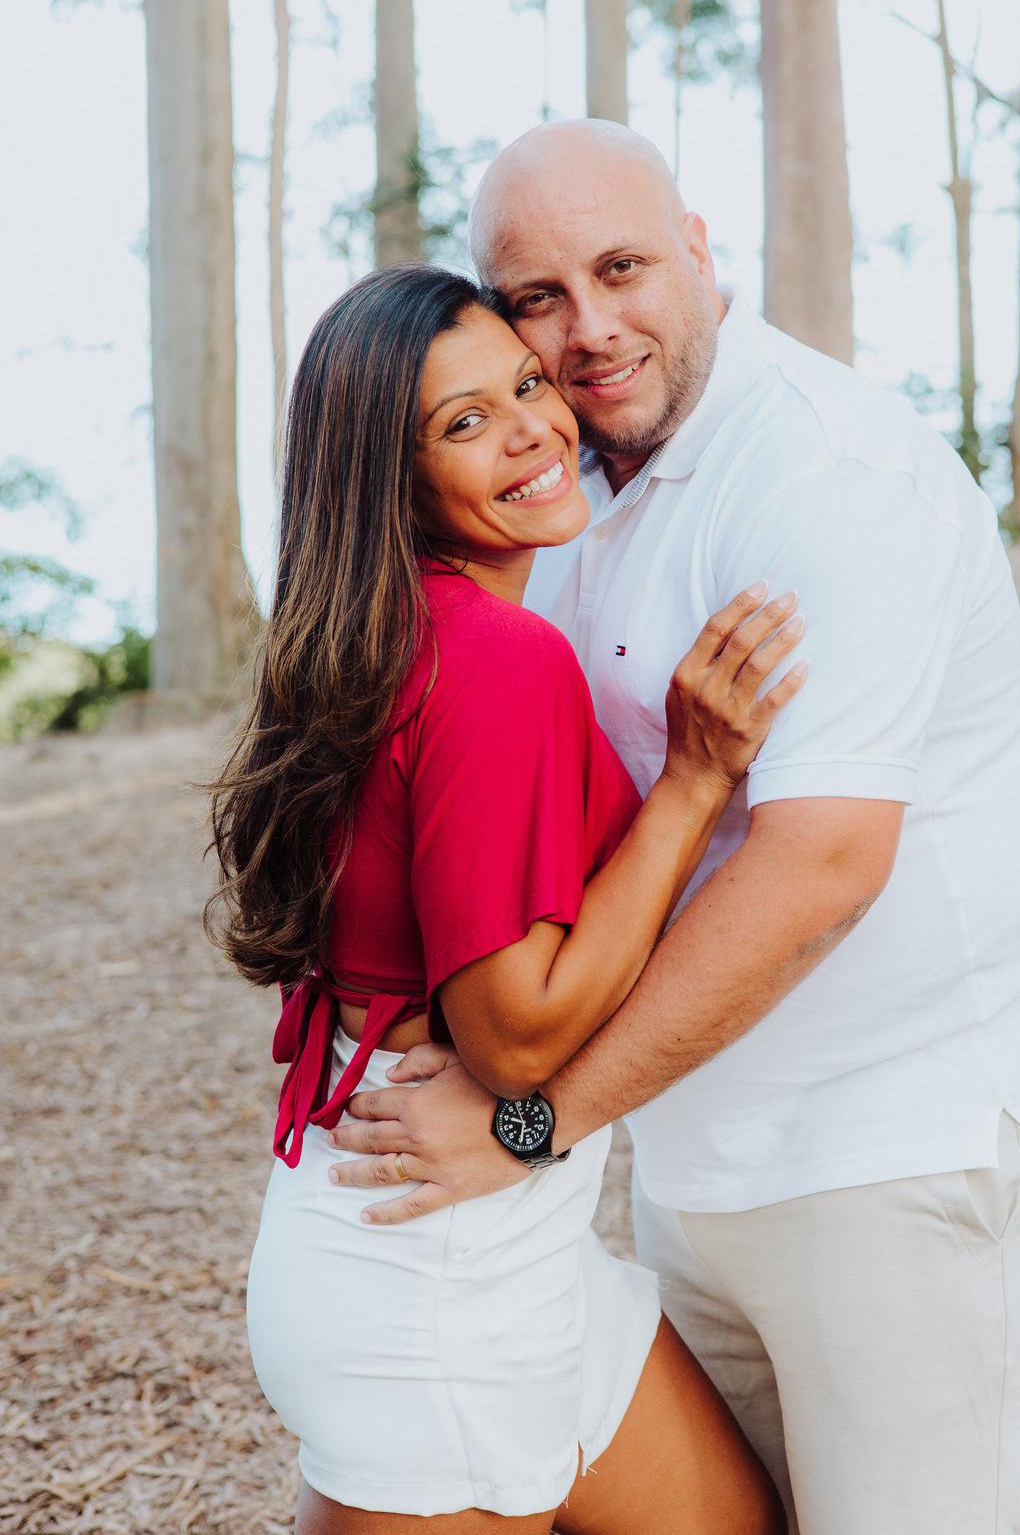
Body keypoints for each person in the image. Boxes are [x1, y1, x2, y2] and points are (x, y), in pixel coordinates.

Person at [327, 122, 1020, 1535]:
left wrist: (531, 1121)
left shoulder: (827, 476)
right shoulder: (567, 499)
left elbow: (821, 866)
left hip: (911, 1142)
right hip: (703, 1148)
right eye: (537, 298)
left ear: (701, 252)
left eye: (623, 267)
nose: (590, 329)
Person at [206, 264, 805, 1534]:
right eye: (463, 421)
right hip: (432, 1278)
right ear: (396, 476)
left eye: (527, 385)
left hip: (482, 1244)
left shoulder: (385, 640)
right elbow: (514, 1037)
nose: (535, 426)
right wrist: (696, 781)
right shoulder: (495, 659)